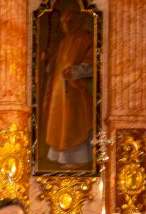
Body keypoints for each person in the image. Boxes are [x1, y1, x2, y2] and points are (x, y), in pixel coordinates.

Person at [41, 8, 95, 167]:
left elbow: (92, 61)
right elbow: (56, 64)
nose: (66, 26)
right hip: (58, 89)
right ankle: (61, 157)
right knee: (59, 121)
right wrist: (47, 60)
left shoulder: (86, 38)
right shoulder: (64, 42)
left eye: (70, 22)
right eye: (64, 23)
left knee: (74, 121)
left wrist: (77, 70)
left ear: (78, 21)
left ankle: (77, 159)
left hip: (76, 89)